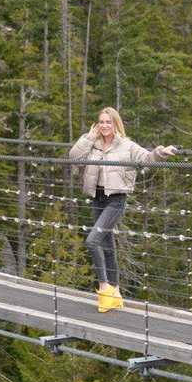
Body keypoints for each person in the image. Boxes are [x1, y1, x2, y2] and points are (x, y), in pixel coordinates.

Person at [68, 107, 176, 313]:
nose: (104, 126)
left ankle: (104, 289)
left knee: (92, 241)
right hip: (97, 198)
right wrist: (88, 137)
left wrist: (161, 152)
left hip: (115, 200)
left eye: (108, 122)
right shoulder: (93, 144)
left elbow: (147, 158)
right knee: (107, 246)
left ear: (116, 124)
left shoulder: (127, 146)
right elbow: (73, 157)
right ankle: (115, 293)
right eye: (101, 122)